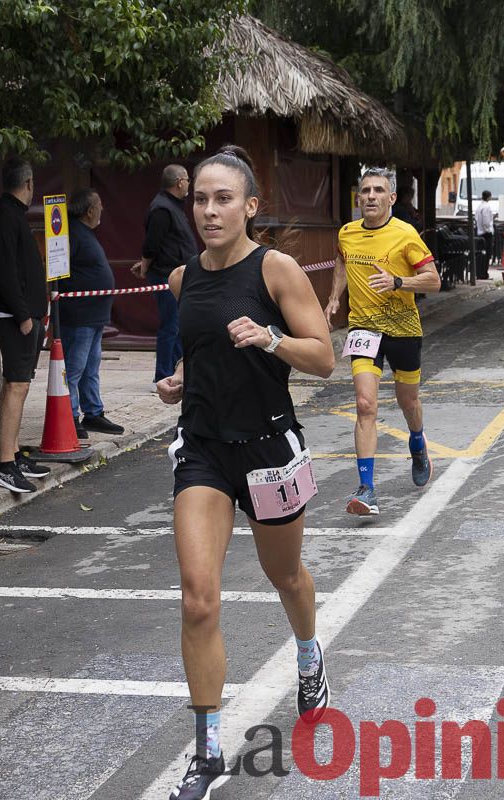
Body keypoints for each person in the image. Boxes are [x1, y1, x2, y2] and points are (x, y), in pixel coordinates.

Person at [158, 145, 335, 800]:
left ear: (250, 207)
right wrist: (179, 381)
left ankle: (310, 657)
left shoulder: (277, 269)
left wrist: (269, 339)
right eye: (200, 198)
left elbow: (323, 358)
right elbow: (198, 354)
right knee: (198, 596)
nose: (209, 210)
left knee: (284, 574)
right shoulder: (183, 280)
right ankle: (207, 753)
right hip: (203, 448)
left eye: (223, 198)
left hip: (268, 449)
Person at [326, 168, 442, 516]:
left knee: (408, 402)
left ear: (391, 198)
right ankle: (367, 489)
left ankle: (418, 443)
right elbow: (342, 262)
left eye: (379, 191)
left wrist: (397, 282)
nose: (371, 196)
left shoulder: (405, 234)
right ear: (358, 197)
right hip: (363, 328)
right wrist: (334, 298)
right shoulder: (347, 233)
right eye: (365, 191)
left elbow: (433, 281)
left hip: (403, 328)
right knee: (365, 405)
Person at [0, 157, 52, 492]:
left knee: (19, 384)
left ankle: (12, 452)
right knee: (17, 384)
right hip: (13, 317)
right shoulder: (4, 217)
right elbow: (6, 272)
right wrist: (23, 315)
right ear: (28, 184)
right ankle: (4, 465)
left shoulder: (11, 214)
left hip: (23, 314)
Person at [57, 189, 124, 439]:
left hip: (94, 315)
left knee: (91, 367)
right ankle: (70, 416)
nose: (102, 210)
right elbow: (58, 273)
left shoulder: (84, 233)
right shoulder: (72, 233)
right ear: (89, 210)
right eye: (99, 205)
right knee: (74, 368)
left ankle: (93, 412)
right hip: (79, 315)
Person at [132, 165, 196, 388]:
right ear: (179, 182)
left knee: (181, 324)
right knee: (171, 325)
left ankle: (179, 371)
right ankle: (162, 374)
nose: (190, 184)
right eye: (188, 179)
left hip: (179, 273)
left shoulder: (174, 206)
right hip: (165, 276)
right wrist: (145, 267)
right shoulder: (161, 208)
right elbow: (152, 245)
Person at [475, 189, 496, 277]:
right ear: (489, 197)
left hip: (480, 232)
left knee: (481, 255)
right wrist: (488, 230)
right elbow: (486, 221)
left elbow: (477, 218)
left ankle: (480, 272)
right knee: (487, 254)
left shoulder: (480, 206)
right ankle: (484, 273)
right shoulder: (487, 207)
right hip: (486, 233)